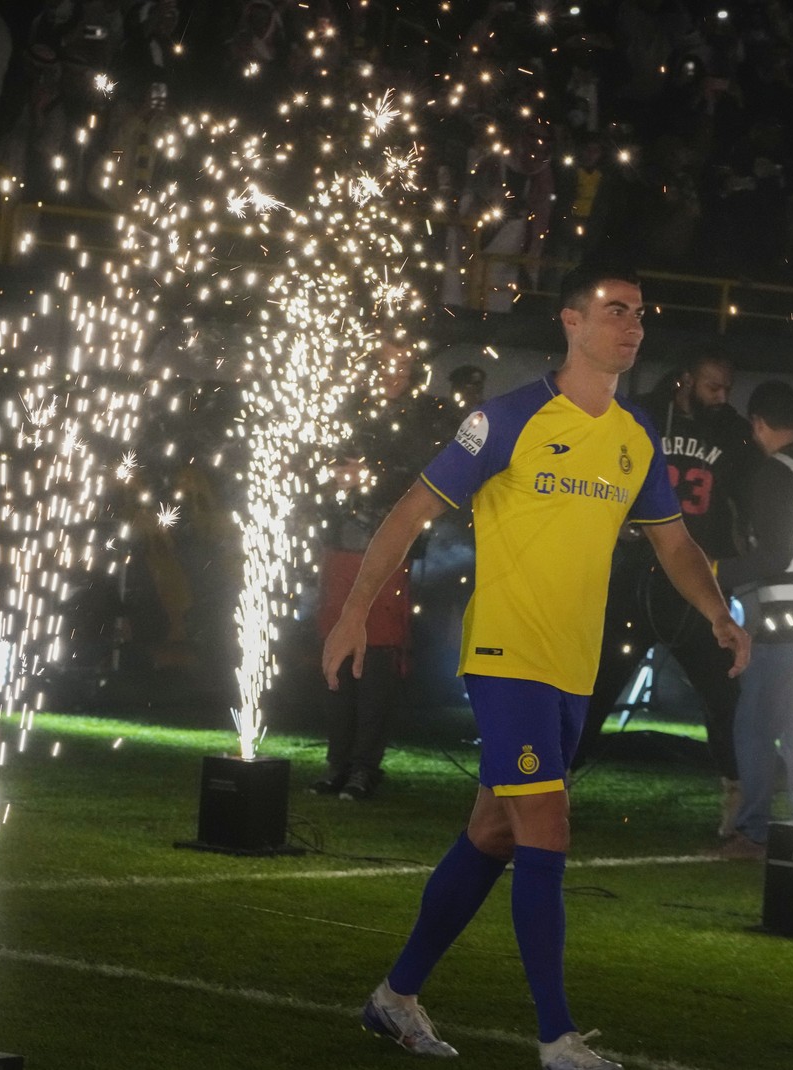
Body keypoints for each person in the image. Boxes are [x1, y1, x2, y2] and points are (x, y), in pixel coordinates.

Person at [320, 262, 749, 1069]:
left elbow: (674, 543)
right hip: (506, 655)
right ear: (571, 322)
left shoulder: (634, 438)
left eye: (640, 314)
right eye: (616, 311)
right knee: (546, 822)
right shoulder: (507, 419)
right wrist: (353, 612)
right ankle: (556, 1039)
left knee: (492, 831)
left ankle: (394, 998)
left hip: (573, 668)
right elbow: (412, 509)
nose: (634, 326)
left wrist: (718, 612)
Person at [573, 353, 759, 836]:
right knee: (594, 689)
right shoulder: (641, 414)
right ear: (687, 379)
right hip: (633, 578)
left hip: (695, 585)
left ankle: (737, 797)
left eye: (727, 389)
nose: (722, 397)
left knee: (723, 695)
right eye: (714, 386)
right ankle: (554, 788)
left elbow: (753, 494)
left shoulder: (734, 433)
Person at [313, 342, 455, 801]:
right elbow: (319, 462)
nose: (392, 371)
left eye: (401, 362)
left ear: (414, 367)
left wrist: (371, 472)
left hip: (389, 554)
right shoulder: (349, 408)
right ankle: (338, 762)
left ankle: (363, 766)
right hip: (341, 550)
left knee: (376, 661)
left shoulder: (423, 418)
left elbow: (426, 481)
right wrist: (335, 475)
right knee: (337, 656)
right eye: (383, 361)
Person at [713, 380, 793, 859]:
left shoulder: (774, 473)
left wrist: (710, 572)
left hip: (786, 624)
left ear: (758, 424)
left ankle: (755, 831)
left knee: (753, 727)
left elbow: (774, 555)